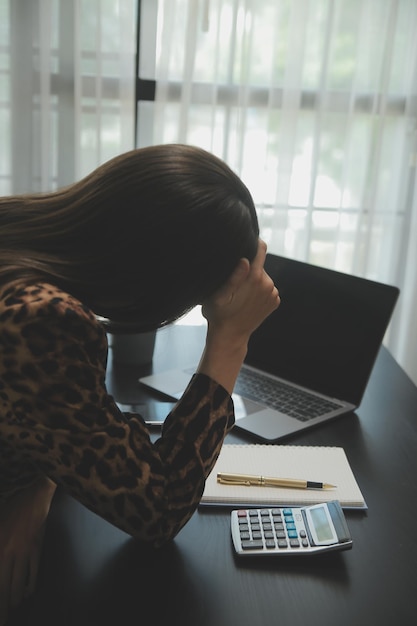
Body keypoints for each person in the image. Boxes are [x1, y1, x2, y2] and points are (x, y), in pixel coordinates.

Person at [0, 144, 280, 622]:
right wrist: (230, 339)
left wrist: (36, 476)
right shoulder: (45, 321)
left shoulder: (18, 234)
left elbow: (41, 416)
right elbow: (158, 508)